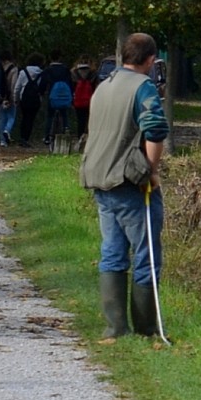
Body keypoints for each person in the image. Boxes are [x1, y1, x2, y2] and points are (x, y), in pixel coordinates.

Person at [80, 33, 168, 342]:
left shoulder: (104, 86)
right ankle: (147, 330)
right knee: (146, 253)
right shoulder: (143, 87)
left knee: (113, 251)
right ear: (149, 60)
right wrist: (152, 171)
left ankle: (115, 328)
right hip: (129, 180)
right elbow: (155, 130)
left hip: (99, 176)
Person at [43, 58, 74, 151]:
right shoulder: (65, 70)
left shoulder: (48, 70)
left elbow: (43, 83)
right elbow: (70, 83)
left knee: (50, 116)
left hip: (52, 95)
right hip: (64, 96)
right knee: (64, 114)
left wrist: (42, 92)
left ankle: (47, 136)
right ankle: (66, 129)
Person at [12, 55, 44, 146]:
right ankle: (26, 138)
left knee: (24, 118)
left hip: (24, 98)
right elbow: (42, 88)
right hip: (35, 99)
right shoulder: (41, 73)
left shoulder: (23, 72)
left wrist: (16, 99)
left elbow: (17, 87)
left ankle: (22, 137)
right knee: (31, 119)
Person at [72, 65, 96, 144]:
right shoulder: (93, 74)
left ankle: (80, 136)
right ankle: (89, 136)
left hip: (78, 101)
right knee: (89, 119)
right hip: (89, 100)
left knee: (80, 120)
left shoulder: (74, 74)